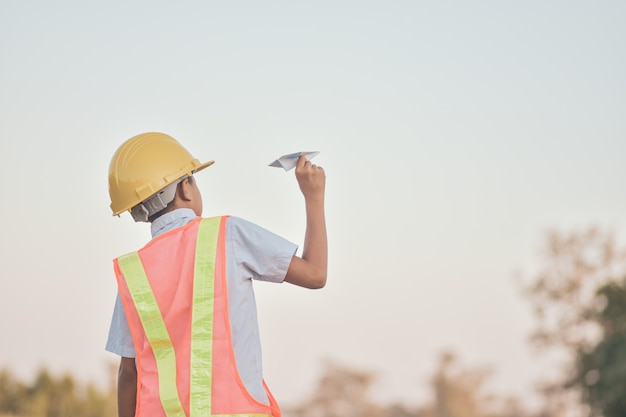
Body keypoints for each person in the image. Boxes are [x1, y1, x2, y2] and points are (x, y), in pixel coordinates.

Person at [105, 132, 327, 417]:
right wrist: (314, 196)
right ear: (186, 187)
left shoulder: (133, 272)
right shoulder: (228, 234)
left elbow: (128, 373)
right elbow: (315, 273)